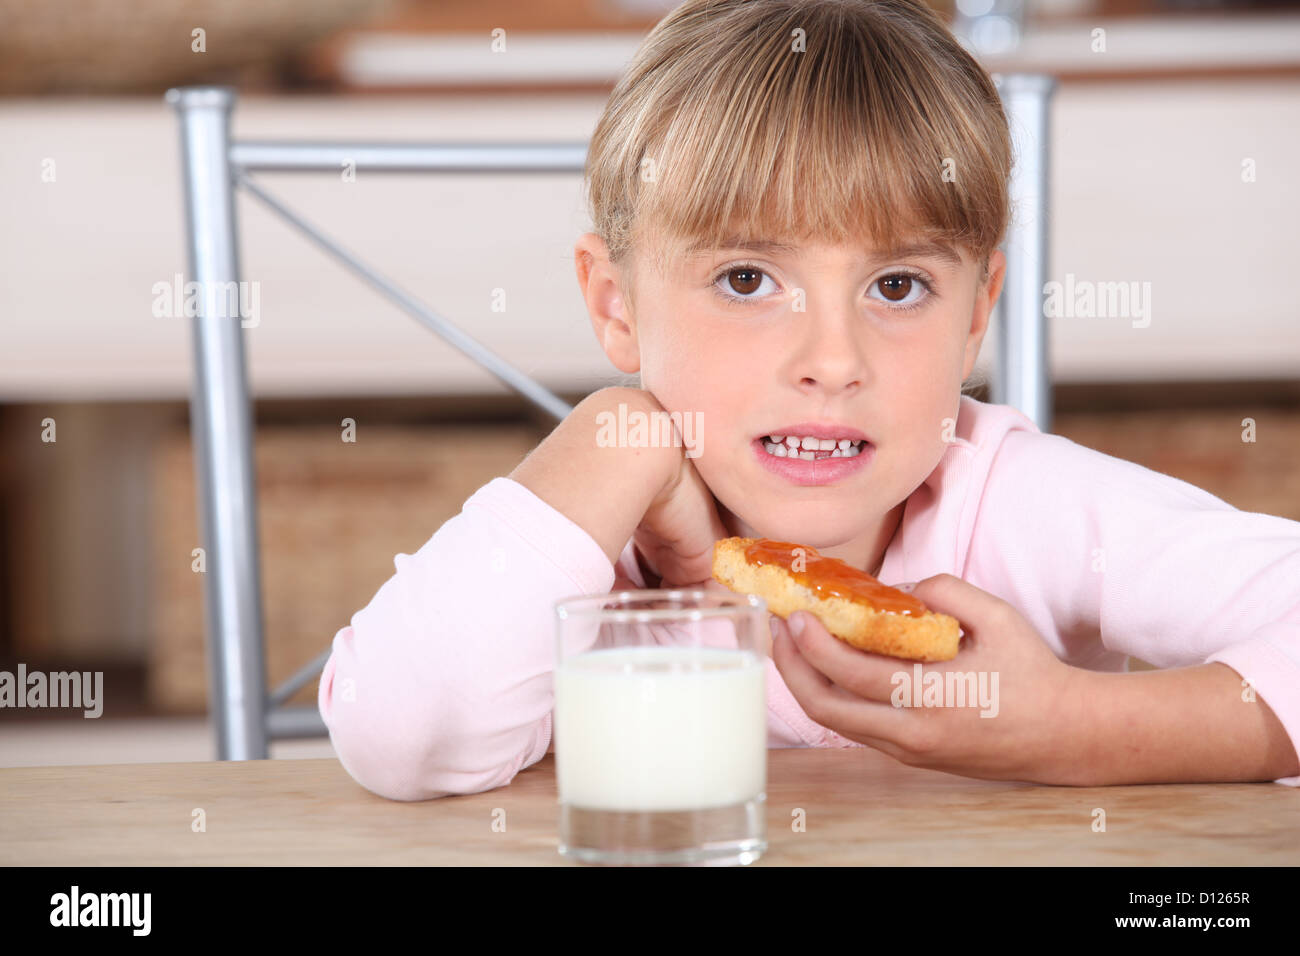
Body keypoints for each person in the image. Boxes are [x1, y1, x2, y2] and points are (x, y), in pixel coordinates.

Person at [318, 0, 1300, 800]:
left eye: (897, 286)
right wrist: (612, 436)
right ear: (616, 305)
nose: (833, 360)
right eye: (746, 280)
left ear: (975, 315)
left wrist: (1070, 728)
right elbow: (401, 736)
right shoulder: (590, 556)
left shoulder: (1029, 509)